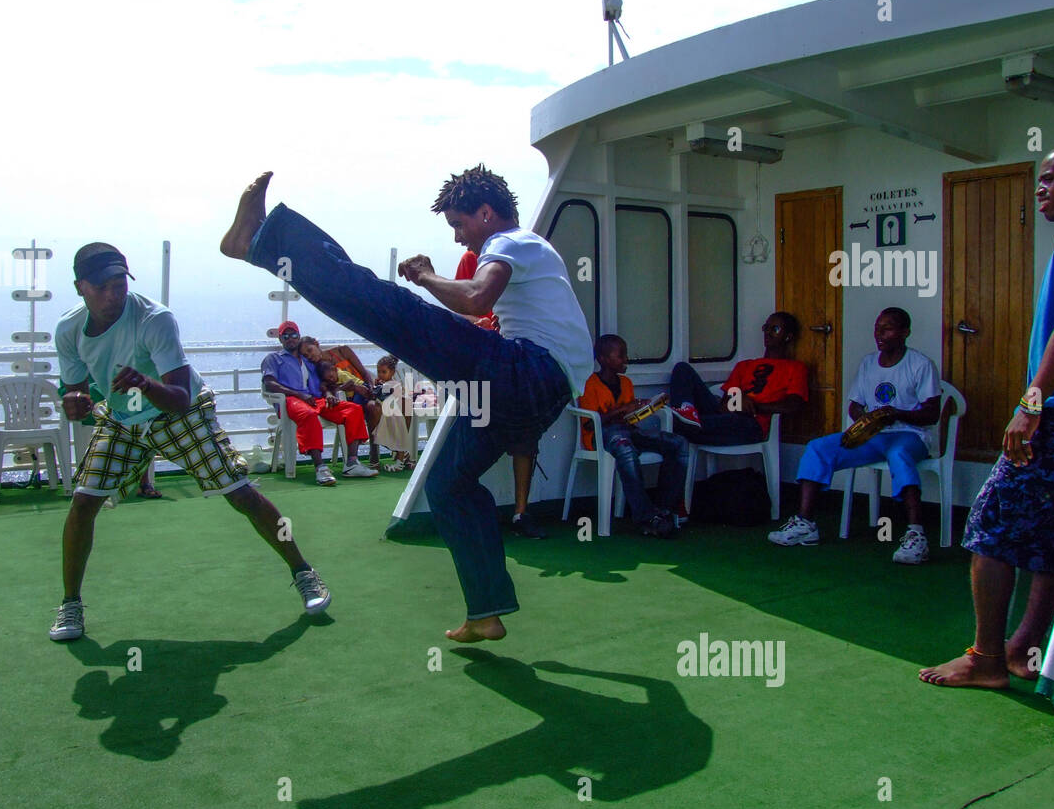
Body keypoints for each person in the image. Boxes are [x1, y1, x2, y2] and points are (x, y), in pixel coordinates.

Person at [221, 166, 593, 643]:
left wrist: (425, 276)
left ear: (486, 213)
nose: (460, 238)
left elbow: (478, 299)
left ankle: (263, 242)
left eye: (460, 224)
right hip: (532, 393)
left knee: (393, 309)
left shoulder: (512, 241)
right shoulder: (528, 252)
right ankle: (486, 612)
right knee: (448, 484)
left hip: (527, 373)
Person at [48, 243, 331, 642]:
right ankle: (70, 606)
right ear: (80, 287)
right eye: (102, 286)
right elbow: (75, 391)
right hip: (121, 420)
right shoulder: (68, 329)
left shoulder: (154, 319)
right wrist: (73, 403)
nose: (113, 293)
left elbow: (179, 397)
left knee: (241, 493)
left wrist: (144, 384)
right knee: (83, 502)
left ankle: (304, 573)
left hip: (180, 412)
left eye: (119, 283)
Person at [921, 140, 1054, 689]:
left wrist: (1030, 404)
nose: (1040, 189)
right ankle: (1026, 648)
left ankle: (986, 658)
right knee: (1052, 536)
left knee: (990, 529)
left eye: (1051, 178)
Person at [768, 307, 940, 564]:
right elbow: (854, 403)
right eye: (877, 328)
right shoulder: (869, 363)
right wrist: (864, 417)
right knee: (818, 447)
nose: (879, 334)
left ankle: (916, 536)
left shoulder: (920, 364)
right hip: (873, 435)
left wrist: (896, 414)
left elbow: (932, 413)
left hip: (909, 435)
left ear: (905, 332)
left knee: (898, 453)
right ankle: (805, 524)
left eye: (888, 328)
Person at [455, 248, 546, 539]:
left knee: (525, 439)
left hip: (518, 362)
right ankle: (473, 514)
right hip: (484, 364)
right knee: (477, 436)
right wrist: (478, 323)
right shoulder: (472, 259)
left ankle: (520, 513)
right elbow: (460, 311)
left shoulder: (523, 257)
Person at [577, 334, 686, 537]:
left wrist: (645, 407)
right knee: (625, 448)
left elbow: (630, 419)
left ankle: (663, 509)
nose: (626, 359)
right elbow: (591, 424)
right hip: (601, 437)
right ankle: (646, 517)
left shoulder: (626, 383)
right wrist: (622, 410)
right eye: (621, 355)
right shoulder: (590, 384)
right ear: (603, 359)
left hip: (628, 431)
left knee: (677, 443)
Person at [260, 321, 377, 485]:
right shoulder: (273, 359)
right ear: (280, 339)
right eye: (285, 336)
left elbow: (323, 384)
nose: (290, 338)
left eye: (293, 335)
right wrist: (298, 394)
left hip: (315, 399)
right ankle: (320, 468)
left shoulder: (308, 362)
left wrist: (329, 394)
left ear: (298, 336)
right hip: (291, 400)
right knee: (309, 415)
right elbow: (269, 383)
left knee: (353, 410)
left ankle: (352, 463)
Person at [670, 312, 807, 446]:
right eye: (766, 328)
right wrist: (738, 401)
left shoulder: (794, 368)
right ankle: (685, 416)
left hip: (753, 423)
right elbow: (725, 403)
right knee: (682, 369)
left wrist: (753, 406)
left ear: (788, 337)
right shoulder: (745, 365)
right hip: (726, 414)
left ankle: (681, 424)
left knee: (685, 425)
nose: (768, 333)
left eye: (775, 329)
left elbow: (793, 405)